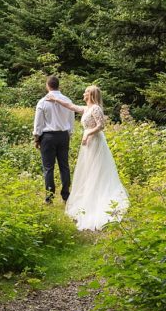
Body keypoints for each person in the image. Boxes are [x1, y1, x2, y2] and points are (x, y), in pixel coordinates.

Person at [47, 85, 129, 230]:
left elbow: (101, 125)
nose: (83, 94)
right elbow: (70, 106)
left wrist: (88, 134)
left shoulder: (96, 108)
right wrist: (56, 99)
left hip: (95, 143)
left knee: (96, 172)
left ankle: (97, 202)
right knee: (88, 172)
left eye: (86, 92)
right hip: (88, 145)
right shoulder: (87, 109)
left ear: (91, 95)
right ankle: (87, 201)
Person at [33, 75, 75, 205]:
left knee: (48, 168)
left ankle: (49, 198)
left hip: (48, 137)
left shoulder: (43, 101)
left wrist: (36, 138)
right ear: (59, 85)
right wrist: (69, 134)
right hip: (63, 135)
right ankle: (66, 196)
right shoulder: (67, 100)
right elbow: (71, 121)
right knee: (64, 166)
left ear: (47, 86)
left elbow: (38, 123)